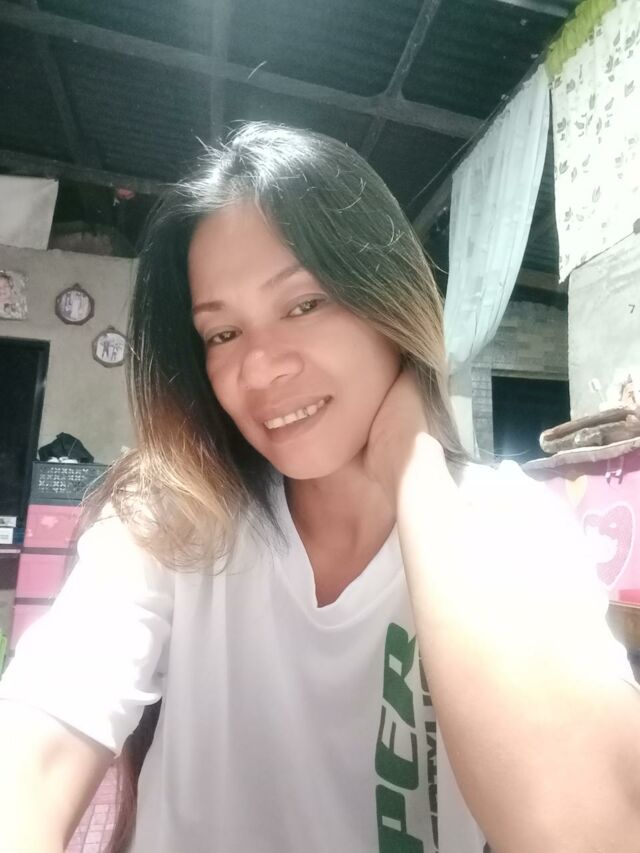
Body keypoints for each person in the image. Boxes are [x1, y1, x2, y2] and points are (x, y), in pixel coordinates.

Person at [0, 123, 638, 853]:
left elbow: (589, 829)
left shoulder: (510, 524)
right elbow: (36, 746)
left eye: (304, 304)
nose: (260, 368)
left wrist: (415, 465)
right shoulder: (174, 519)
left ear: (391, 301)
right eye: (222, 334)